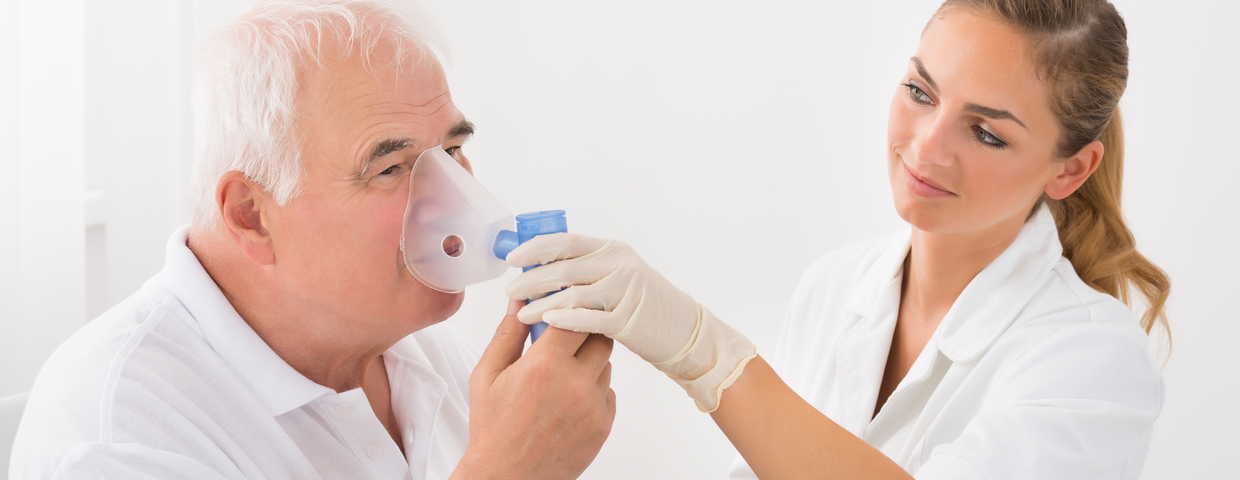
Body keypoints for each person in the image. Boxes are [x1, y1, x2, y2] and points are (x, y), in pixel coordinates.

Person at [502, 0, 1169, 478]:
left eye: (987, 132)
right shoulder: (836, 285)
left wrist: (703, 353)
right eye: (919, 91)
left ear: (1071, 168)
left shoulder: (1095, 358)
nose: (925, 148)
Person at [9, 1, 615, 479]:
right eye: (392, 167)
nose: (456, 199)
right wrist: (505, 474)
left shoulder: (413, 350)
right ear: (250, 215)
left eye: (454, 151)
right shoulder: (122, 433)